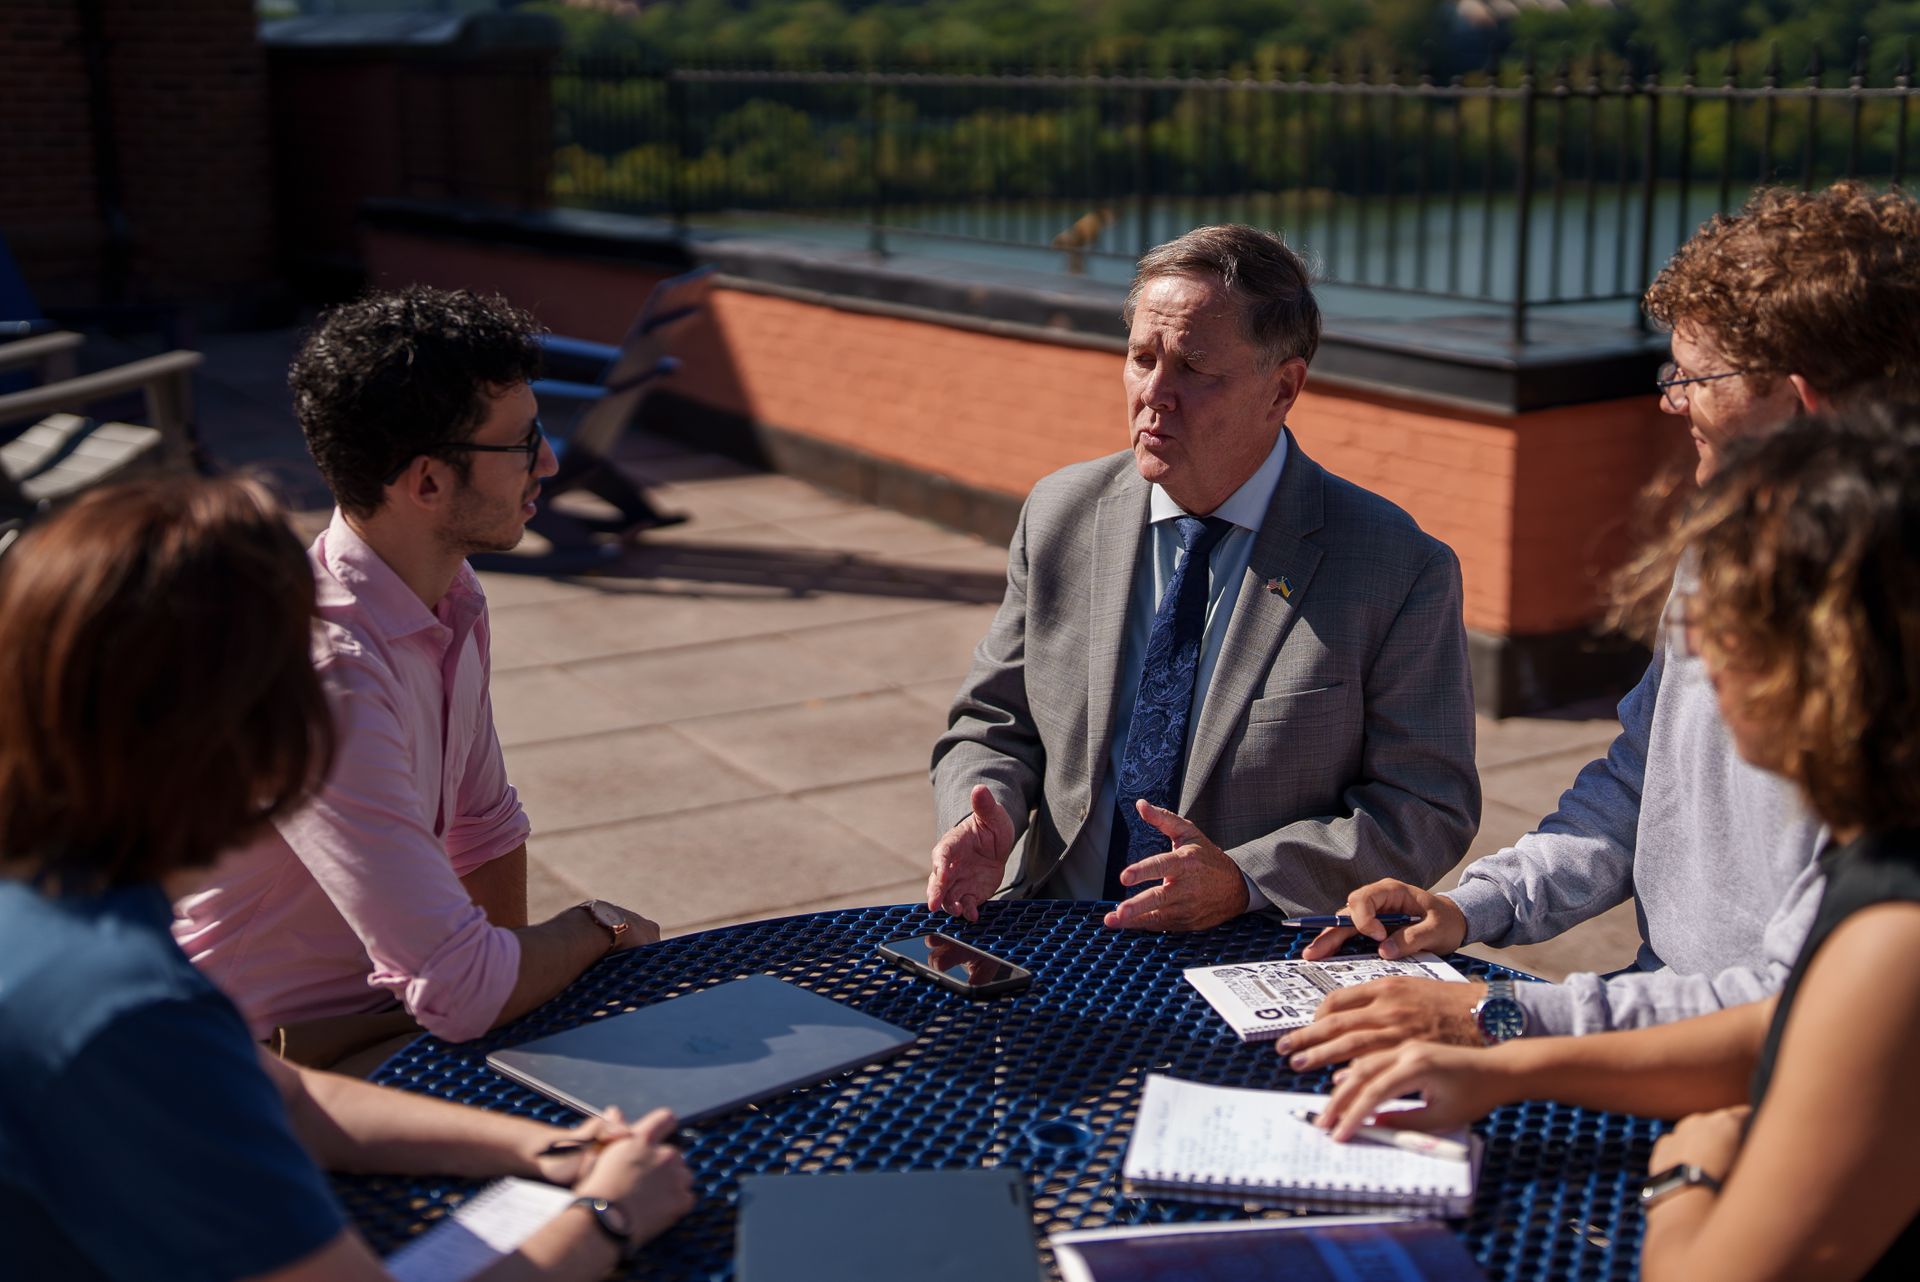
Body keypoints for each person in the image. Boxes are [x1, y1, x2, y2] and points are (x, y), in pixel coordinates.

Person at [1280, 182, 1920, 1069]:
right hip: (1645, 1019)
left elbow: (1801, 1003)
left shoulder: (1890, 656)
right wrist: (1476, 907)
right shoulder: (1730, 541)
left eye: (1694, 376)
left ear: (1802, 402)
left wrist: (1500, 1021)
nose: (1670, 400)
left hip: (1757, 1072)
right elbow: (1639, 779)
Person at [0, 476, 694, 1282]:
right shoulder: (128, 1013)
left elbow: (291, 1098)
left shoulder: (64, 905)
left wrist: (549, 1147)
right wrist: (610, 1218)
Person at [1312, 406, 1920, 1282]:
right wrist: (1484, 953)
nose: (1699, 647)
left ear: (1819, 656)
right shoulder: (1875, 849)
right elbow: (1637, 791)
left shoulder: (1891, 928)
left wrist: (1689, 1168)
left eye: (1728, 622)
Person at [927, 224, 1479, 934]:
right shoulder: (1061, 513)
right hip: (1052, 935)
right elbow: (993, 724)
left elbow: (1428, 806)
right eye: (1141, 358)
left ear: (1283, 389)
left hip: (1246, 953)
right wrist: (986, 818)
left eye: (1195, 369)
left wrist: (1246, 880)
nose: (1156, 393)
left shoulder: (1398, 569)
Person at [173, 287, 657, 1068]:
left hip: (383, 1028)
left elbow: (485, 827)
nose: (550, 460)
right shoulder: (327, 678)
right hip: (251, 1067)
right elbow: (460, 989)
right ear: (427, 484)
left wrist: (519, 1022)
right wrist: (597, 928)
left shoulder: (448, 595)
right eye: (523, 442)